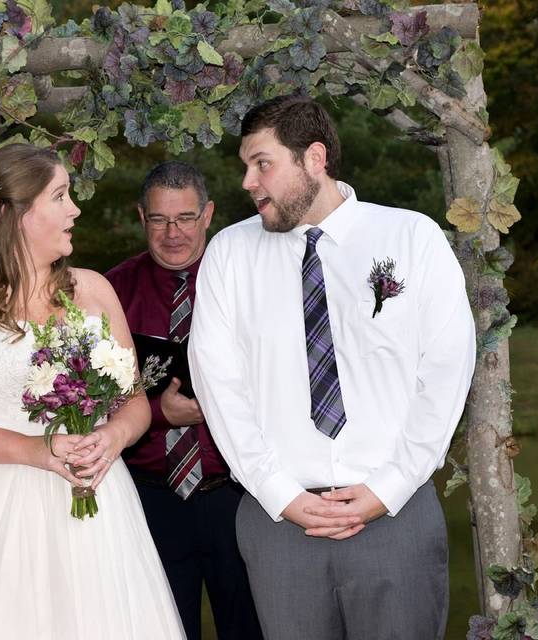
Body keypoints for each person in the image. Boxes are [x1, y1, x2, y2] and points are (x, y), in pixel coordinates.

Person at [189, 96, 476, 640]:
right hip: (279, 525)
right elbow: (218, 387)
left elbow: (444, 373)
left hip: (396, 517)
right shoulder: (229, 253)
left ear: (314, 158)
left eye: (262, 163)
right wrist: (281, 495)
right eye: (245, 167)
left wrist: (387, 488)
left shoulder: (412, 238)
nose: (249, 182)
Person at [0, 144, 184, 639]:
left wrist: (112, 437)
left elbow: (132, 399)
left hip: (95, 504)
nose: (75, 209)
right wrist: (34, 449)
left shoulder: (94, 290)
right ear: (17, 213)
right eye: (61, 196)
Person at [105, 161, 262, 640]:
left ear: (209, 213)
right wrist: (157, 415)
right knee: (161, 628)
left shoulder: (248, 283)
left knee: (251, 628)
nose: (173, 233)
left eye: (186, 218)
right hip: (150, 497)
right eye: (158, 219)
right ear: (141, 217)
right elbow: (87, 402)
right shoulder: (112, 291)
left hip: (237, 496)